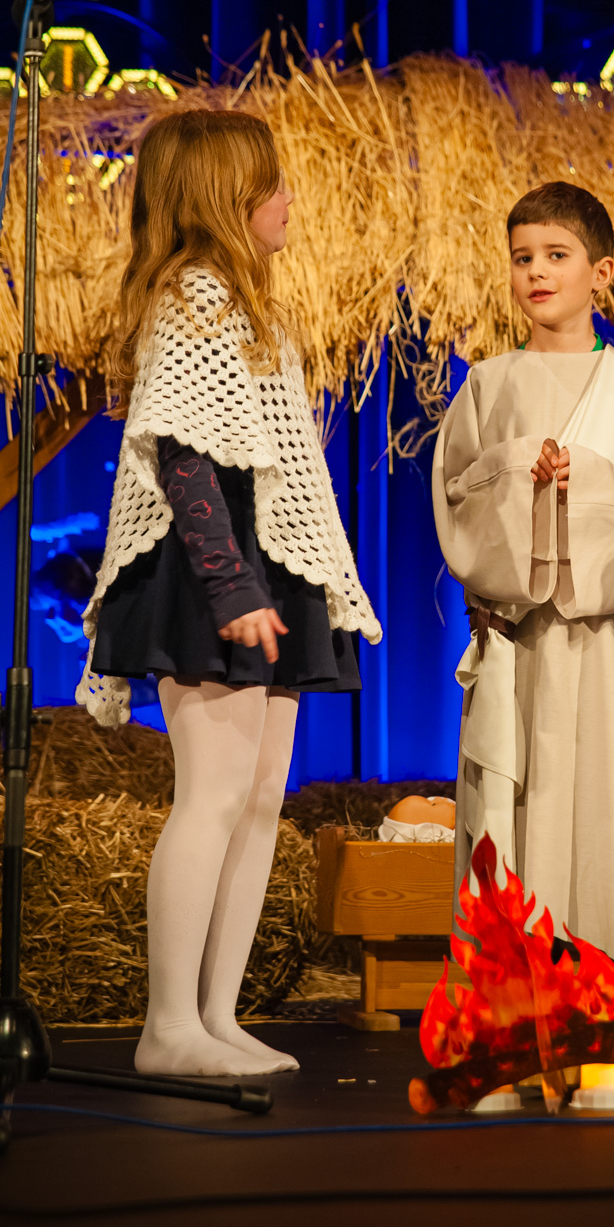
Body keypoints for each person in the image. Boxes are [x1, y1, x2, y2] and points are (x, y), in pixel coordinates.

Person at [77, 109, 381, 1077]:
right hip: (211, 570)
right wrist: (230, 583)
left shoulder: (251, 309)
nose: (287, 198)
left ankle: (217, 1014)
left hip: (265, 562)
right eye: (270, 183)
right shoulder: (194, 299)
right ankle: (169, 1024)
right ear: (223, 197)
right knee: (210, 795)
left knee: (256, 799)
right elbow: (180, 455)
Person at [432, 181, 614, 978]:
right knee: (516, 805)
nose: (536, 272)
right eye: (521, 258)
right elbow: (455, 496)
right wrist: (518, 472)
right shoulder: (488, 383)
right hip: (515, 639)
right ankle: (512, 988)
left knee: (598, 803)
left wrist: (591, 481)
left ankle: (602, 980)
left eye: (556, 255)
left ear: (600, 272)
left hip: (602, 637)